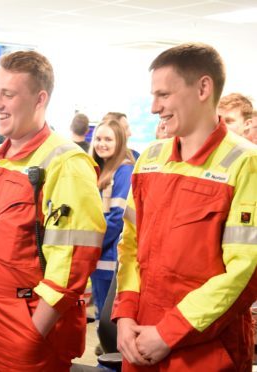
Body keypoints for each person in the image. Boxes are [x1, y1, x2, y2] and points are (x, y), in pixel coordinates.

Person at [0, 50, 106, 371]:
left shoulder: (66, 163)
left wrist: (34, 329)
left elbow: (73, 261)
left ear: (39, 99)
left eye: (8, 94)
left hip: (23, 319)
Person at [113, 42, 257, 371]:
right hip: (139, 338)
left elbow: (244, 273)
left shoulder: (246, 163)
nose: (153, 107)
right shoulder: (149, 159)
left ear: (203, 87)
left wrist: (168, 332)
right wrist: (124, 314)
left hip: (204, 346)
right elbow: (130, 245)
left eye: (163, 95)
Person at [89, 120, 134, 322]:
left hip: (110, 256)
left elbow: (117, 218)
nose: (102, 144)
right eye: (98, 138)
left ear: (120, 142)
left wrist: (92, 244)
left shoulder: (124, 171)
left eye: (108, 139)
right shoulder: (101, 169)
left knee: (110, 317)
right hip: (99, 259)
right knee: (101, 313)